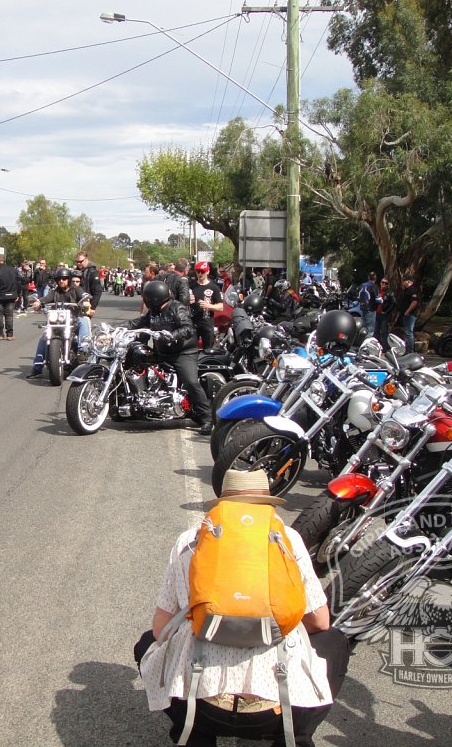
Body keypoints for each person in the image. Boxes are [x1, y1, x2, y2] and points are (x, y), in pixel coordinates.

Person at [134, 469, 349, 747]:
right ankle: (295, 735)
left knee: (146, 644)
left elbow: (161, 629)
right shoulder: (289, 540)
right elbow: (320, 621)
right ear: (268, 505)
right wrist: (276, 624)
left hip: (201, 706)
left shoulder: (188, 540)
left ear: (222, 504)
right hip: (278, 708)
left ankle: (194, 735)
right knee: (334, 641)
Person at [128, 280, 212, 435]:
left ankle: (207, 418)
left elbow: (188, 328)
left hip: (183, 353)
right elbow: (140, 322)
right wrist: (122, 328)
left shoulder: (177, 308)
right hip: (162, 352)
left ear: (153, 298)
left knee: (191, 381)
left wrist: (172, 336)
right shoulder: (153, 312)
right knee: (135, 360)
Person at [25, 268, 92, 379]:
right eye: (59, 279)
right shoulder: (55, 292)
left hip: (73, 318)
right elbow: (46, 298)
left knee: (83, 321)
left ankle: (83, 350)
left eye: (65, 278)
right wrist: (38, 302)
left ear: (69, 279)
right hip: (57, 320)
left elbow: (83, 295)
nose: (62, 281)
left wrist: (85, 300)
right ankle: (37, 367)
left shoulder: (76, 289)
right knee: (44, 336)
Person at [190, 261, 223, 349]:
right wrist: (187, 300)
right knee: (192, 349)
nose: (200, 274)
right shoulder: (191, 286)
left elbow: (220, 307)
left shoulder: (214, 287)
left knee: (208, 349)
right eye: (198, 271)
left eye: (202, 271)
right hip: (193, 322)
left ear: (208, 271)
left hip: (207, 323)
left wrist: (209, 306)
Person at [399, 274, 420, 353]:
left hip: (410, 315)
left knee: (409, 332)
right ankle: (407, 350)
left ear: (408, 281)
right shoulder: (407, 290)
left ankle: (410, 351)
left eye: (404, 280)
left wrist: (407, 311)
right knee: (407, 332)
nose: (403, 282)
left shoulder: (412, 290)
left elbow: (414, 302)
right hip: (406, 315)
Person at [374, 277, 395, 351]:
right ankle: (376, 346)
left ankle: (385, 347)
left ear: (388, 285)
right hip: (377, 313)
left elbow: (392, 303)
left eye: (385, 283)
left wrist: (386, 311)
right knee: (375, 330)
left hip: (384, 315)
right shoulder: (377, 291)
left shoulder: (390, 292)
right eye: (382, 282)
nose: (383, 284)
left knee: (384, 331)